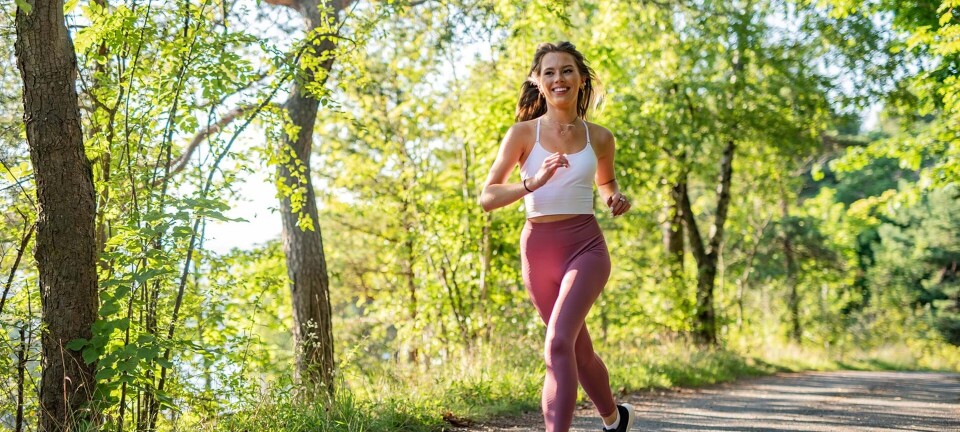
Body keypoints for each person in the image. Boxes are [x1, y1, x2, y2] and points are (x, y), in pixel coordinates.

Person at [478, 41, 634, 432]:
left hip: (586, 247)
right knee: (577, 349)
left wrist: (614, 197)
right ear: (537, 81)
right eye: (549, 72)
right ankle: (614, 419)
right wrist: (532, 182)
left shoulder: (600, 137)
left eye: (567, 70)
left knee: (558, 344)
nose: (558, 78)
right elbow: (488, 197)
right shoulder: (521, 135)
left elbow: (606, 181)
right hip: (538, 251)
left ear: (581, 80)